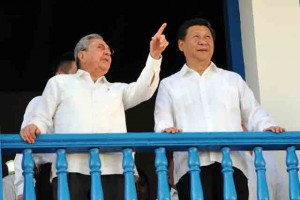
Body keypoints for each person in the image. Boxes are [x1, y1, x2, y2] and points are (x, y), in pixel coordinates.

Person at [20, 23, 168, 200]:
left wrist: (154, 56)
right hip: (70, 167)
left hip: (115, 168)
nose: (107, 52)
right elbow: (42, 115)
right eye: (100, 47)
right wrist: (34, 126)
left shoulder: (117, 90)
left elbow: (145, 89)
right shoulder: (59, 83)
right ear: (81, 55)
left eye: (109, 50)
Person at [154, 17, 285, 200]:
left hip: (232, 165)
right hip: (191, 167)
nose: (203, 41)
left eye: (208, 37)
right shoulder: (169, 84)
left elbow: (254, 112)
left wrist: (266, 127)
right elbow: (162, 120)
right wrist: (165, 130)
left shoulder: (232, 80)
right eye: (196, 37)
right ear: (181, 45)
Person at [14, 51, 78, 200]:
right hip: (50, 176)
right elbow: (25, 145)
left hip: (81, 176)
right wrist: (22, 188)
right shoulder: (39, 102)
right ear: (59, 76)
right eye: (75, 77)